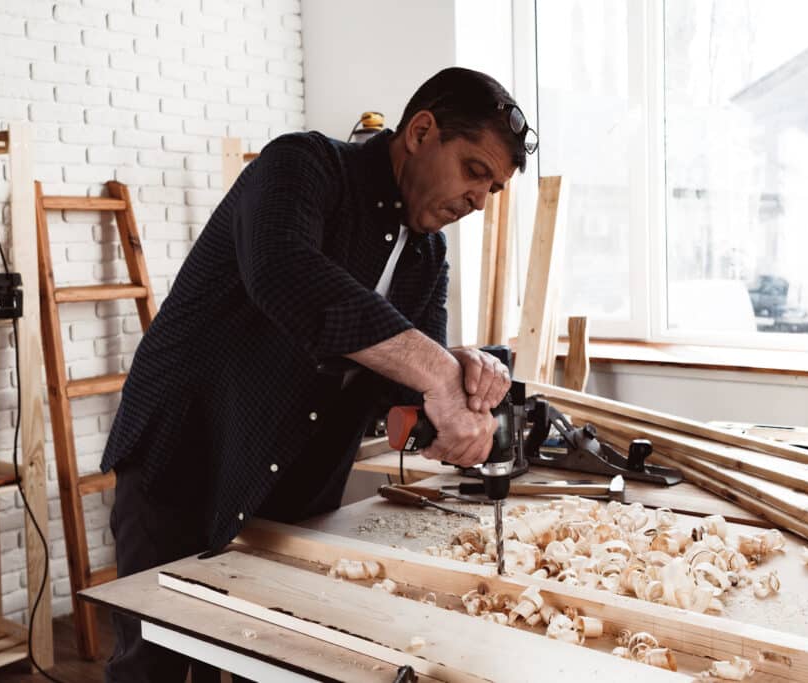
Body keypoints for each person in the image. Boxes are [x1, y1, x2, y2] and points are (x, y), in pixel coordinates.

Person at [100, 66, 538, 682]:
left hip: (294, 475)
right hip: (187, 451)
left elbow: (409, 380)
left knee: (276, 655)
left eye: (491, 189)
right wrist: (437, 369)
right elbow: (284, 275)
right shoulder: (302, 167)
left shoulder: (427, 254)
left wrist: (464, 377)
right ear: (420, 132)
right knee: (160, 662)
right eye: (473, 170)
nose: (477, 200)